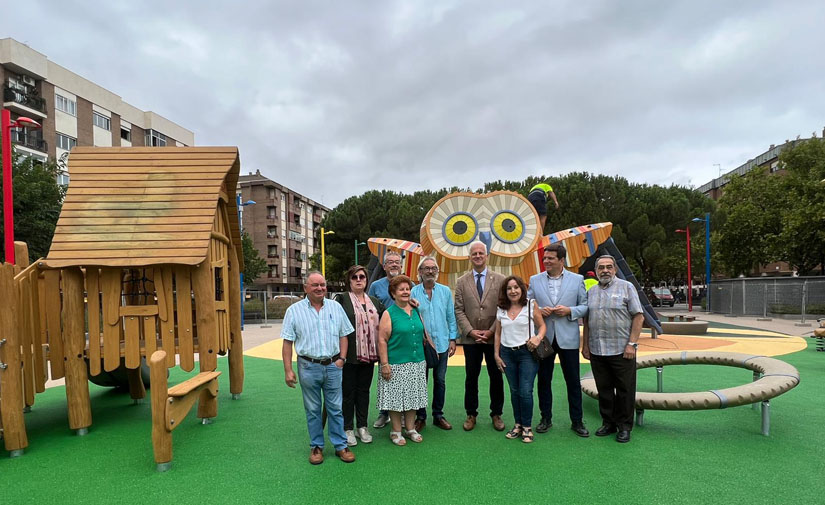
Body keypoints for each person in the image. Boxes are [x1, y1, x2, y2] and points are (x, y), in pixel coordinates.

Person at [281, 272, 356, 465]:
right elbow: (287, 342)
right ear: (306, 287)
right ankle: (316, 446)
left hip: (333, 365)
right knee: (313, 409)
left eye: (322, 284)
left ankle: (341, 445)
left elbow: (344, 335)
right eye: (314, 285)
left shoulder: (335, 307)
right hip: (308, 366)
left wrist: (342, 359)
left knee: (336, 408)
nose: (320, 288)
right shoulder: (294, 311)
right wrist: (288, 370)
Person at [527, 243, 590, 438]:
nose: (545, 261)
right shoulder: (535, 280)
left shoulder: (577, 279)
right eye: (544, 258)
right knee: (544, 380)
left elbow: (586, 306)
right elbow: (528, 304)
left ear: (561, 260)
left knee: (572, 381)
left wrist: (570, 311)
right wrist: (539, 310)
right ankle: (545, 419)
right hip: (544, 338)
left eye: (550, 258)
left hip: (568, 338)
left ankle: (577, 421)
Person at [582, 255, 644, 444]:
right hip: (598, 349)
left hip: (622, 350)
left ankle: (624, 427)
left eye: (609, 267)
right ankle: (608, 422)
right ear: (597, 270)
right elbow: (587, 320)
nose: (605, 271)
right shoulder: (591, 291)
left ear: (615, 269)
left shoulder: (626, 287)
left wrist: (632, 344)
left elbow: (639, 316)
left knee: (625, 390)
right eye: (601, 268)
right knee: (604, 389)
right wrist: (585, 345)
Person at [454, 240, 506, 432]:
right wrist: (470, 331)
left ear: (487, 256)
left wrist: (492, 330)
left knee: (496, 376)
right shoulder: (461, 282)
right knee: (471, 377)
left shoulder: (500, 280)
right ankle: (471, 413)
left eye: (480, 253)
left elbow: (503, 307)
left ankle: (496, 413)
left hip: (494, 338)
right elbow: (459, 310)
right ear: (469, 257)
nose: (477, 256)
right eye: (474, 254)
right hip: (471, 339)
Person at [376, 275, 433, 446]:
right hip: (395, 363)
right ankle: (395, 431)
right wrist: (384, 364)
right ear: (393, 293)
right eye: (401, 289)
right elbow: (382, 340)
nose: (405, 292)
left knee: (413, 397)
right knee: (395, 399)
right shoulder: (389, 313)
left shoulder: (415, 309)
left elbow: (421, 332)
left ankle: (410, 429)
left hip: (417, 361)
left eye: (407, 289)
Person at [334, 265, 386, 447]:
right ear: (349, 280)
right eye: (354, 277)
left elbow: (389, 316)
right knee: (348, 393)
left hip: (369, 356)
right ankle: (347, 428)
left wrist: (411, 303)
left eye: (362, 277)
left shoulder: (374, 301)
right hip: (348, 355)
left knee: (363, 392)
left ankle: (362, 426)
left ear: (366, 279)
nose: (358, 280)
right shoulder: (341, 299)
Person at [493, 276, 546, 443]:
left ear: (522, 289)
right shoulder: (501, 308)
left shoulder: (530, 304)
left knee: (525, 390)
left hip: (527, 353)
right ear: (505, 291)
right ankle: (517, 424)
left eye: (516, 287)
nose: (513, 291)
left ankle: (527, 426)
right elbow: (498, 333)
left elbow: (543, 326)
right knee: (514, 391)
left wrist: (538, 338)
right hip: (507, 353)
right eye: (509, 288)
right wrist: (496, 354)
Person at [410, 256, 458, 431]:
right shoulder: (413, 292)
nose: (430, 271)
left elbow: (450, 317)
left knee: (440, 380)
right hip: (421, 345)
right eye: (426, 268)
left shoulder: (445, 291)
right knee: (420, 381)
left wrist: (453, 339)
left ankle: (438, 415)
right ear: (420, 272)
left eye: (433, 268)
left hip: (442, 343)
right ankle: (420, 416)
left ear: (437, 272)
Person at [369, 250, 403, 429]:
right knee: (385, 374)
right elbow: (370, 310)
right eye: (390, 262)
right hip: (384, 337)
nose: (394, 265)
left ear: (401, 264)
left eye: (397, 262)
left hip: (403, 338)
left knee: (404, 374)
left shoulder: (408, 283)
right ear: (384, 266)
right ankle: (384, 413)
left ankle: (403, 413)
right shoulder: (375, 286)